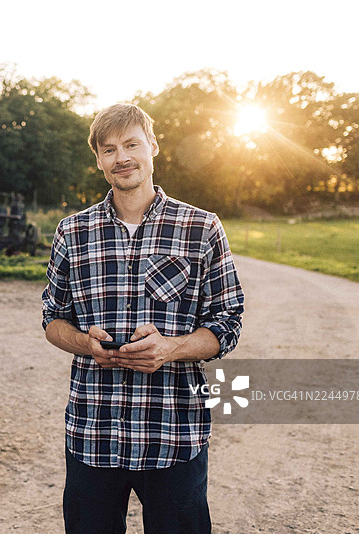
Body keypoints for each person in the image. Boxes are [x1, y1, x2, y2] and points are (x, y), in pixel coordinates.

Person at [41, 103, 244, 534]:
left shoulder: (201, 227)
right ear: (99, 160)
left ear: (152, 146)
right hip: (93, 431)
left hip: (174, 432)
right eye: (109, 149)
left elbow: (228, 322)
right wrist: (85, 344)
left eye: (132, 144)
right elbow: (53, 320)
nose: (122, 157)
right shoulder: (72, 232)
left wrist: (171, 348)